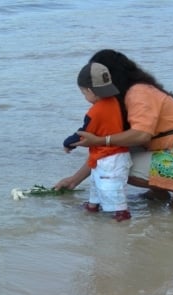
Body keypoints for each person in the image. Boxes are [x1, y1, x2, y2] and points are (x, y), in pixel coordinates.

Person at [55, 49, 173, 208]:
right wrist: (74, 180)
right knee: (115, 155)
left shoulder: (138, 92)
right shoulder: (136, 92)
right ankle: (160, 194)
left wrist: (100, 140)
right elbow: (105, 151)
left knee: (115, 165)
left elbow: (141, 136)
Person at [63, 62, 132, 221]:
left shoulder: (95, 111)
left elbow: (83, 134)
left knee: (110, 187)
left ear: (89, 91)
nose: (85, 97)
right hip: (107, 156)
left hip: (110, 157)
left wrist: (67, 143)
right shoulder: (115, 101)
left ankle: (121, 213)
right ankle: (93, 205)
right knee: (97, 182)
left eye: (83, 93)